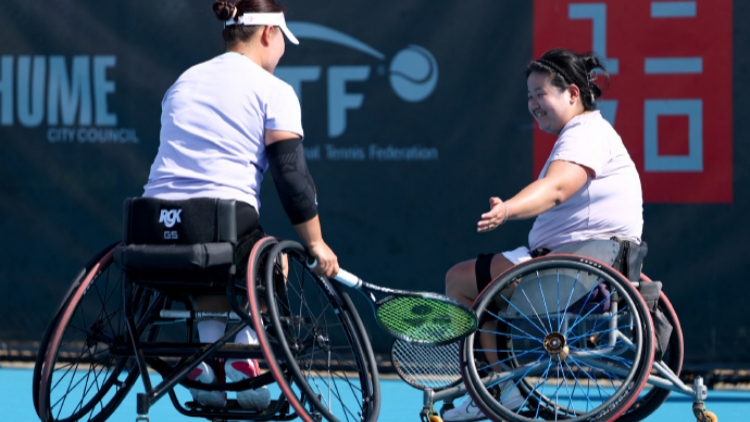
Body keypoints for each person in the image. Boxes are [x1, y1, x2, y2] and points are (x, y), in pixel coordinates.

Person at [142, 0, 339, 411]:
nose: (283, 49)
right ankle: (244, 358)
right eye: (282, 39)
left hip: (149, 229)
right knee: (271, 259)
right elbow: (292, 179)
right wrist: (316, 243)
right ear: (268, 34)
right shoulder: (274, 91)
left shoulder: (184, 81)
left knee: (215, 264)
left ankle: (206, 361)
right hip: (216, 225)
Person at [442, 48, 643, 422]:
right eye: (529, 96)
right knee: (480, 285)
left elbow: (556, 189)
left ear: (572, 93)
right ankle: (500, 387)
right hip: (585, 264)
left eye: (541, 94)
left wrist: (508, 209)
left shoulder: (584, 134)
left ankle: (495, 389)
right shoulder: (590, 132)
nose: (533, 104)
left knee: (460, 281)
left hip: (571, 270)